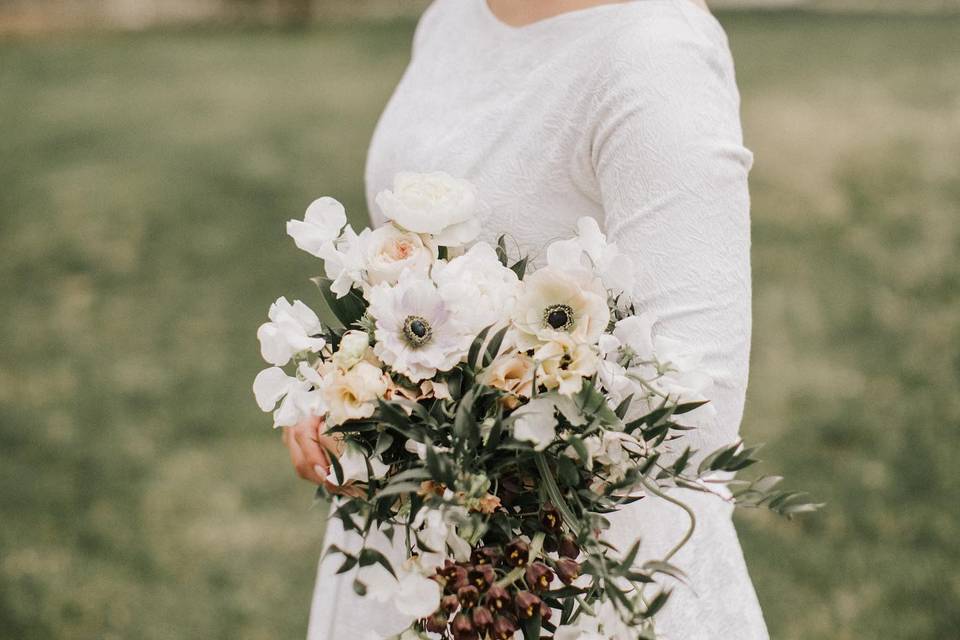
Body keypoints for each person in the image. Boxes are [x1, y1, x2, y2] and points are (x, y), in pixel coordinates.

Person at [286, 0, 767, 637]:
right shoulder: (451, 16)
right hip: (403, 556)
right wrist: (353, 395)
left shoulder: (655, 53)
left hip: (559, 572)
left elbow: (695, 406)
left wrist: (454, 440)